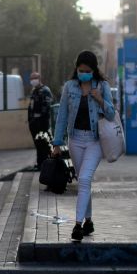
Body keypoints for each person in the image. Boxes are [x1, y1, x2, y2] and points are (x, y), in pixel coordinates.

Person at [52, 50, 115, 242]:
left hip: (94, 141)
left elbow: (112, 114)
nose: (83, 73)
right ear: (76, 69)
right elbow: (61, 114)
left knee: (86, 178)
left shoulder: (102, 86)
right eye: (80, 70)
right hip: (75, 140)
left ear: (94, 70)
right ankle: (88, 221)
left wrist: (99, 98)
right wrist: (57, 143)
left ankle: (77, 225)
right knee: (83, 182)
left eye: (87, 70)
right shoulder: (69, 87)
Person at [28, 72, 53, 170]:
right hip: (34, 122)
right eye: (32, 78)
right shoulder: (34, 91)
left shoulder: (45, 90)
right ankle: (40, 163)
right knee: (38, 144)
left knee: (43, 143)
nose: (33, 80)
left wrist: (40, 119)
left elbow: (47, 106)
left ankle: (45, 164)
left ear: (39, 78)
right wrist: (31, 120)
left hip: (42, 123)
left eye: (35, 78)